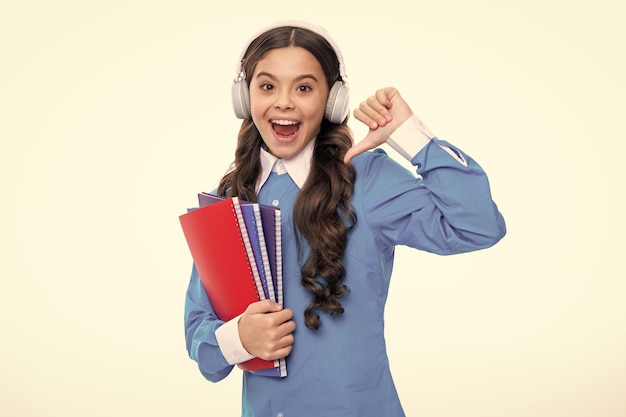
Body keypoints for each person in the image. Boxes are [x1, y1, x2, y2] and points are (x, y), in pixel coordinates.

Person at [184, 20, 506, 417]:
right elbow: (200, 338)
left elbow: (478, 226)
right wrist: (238, 338)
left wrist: (410, 135)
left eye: (304, 87)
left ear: (332, 100)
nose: (284, 102)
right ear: (244, 97)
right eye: (267, 86)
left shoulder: (368, 179)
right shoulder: (226, 201)